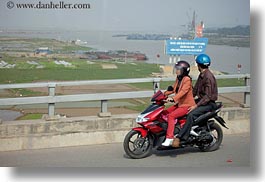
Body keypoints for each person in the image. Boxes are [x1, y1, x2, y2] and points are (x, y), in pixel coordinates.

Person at [172, 54, 218, 148]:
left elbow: (207, 96)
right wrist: (183, 100)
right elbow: (194, 91)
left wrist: (195, 106)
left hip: (208, 104)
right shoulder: (202, 75)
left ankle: (181, 138)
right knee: (183, 108)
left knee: (191, 114)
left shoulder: (208, 77)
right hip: (202, 101)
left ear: (198, 65)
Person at [161, 61, 196, 146]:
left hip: (187, 105)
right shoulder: (179, 78)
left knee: (171, 116)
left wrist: (173, 99)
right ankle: (173, 129)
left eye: (178, 69)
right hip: (180, 104)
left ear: (184, 70)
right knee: (164, 113)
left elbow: (183, 92)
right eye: (176, 69)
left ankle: (169, 138)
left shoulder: (187, 80)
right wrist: (163, 94)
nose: (176, 71)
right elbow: (173, 89)